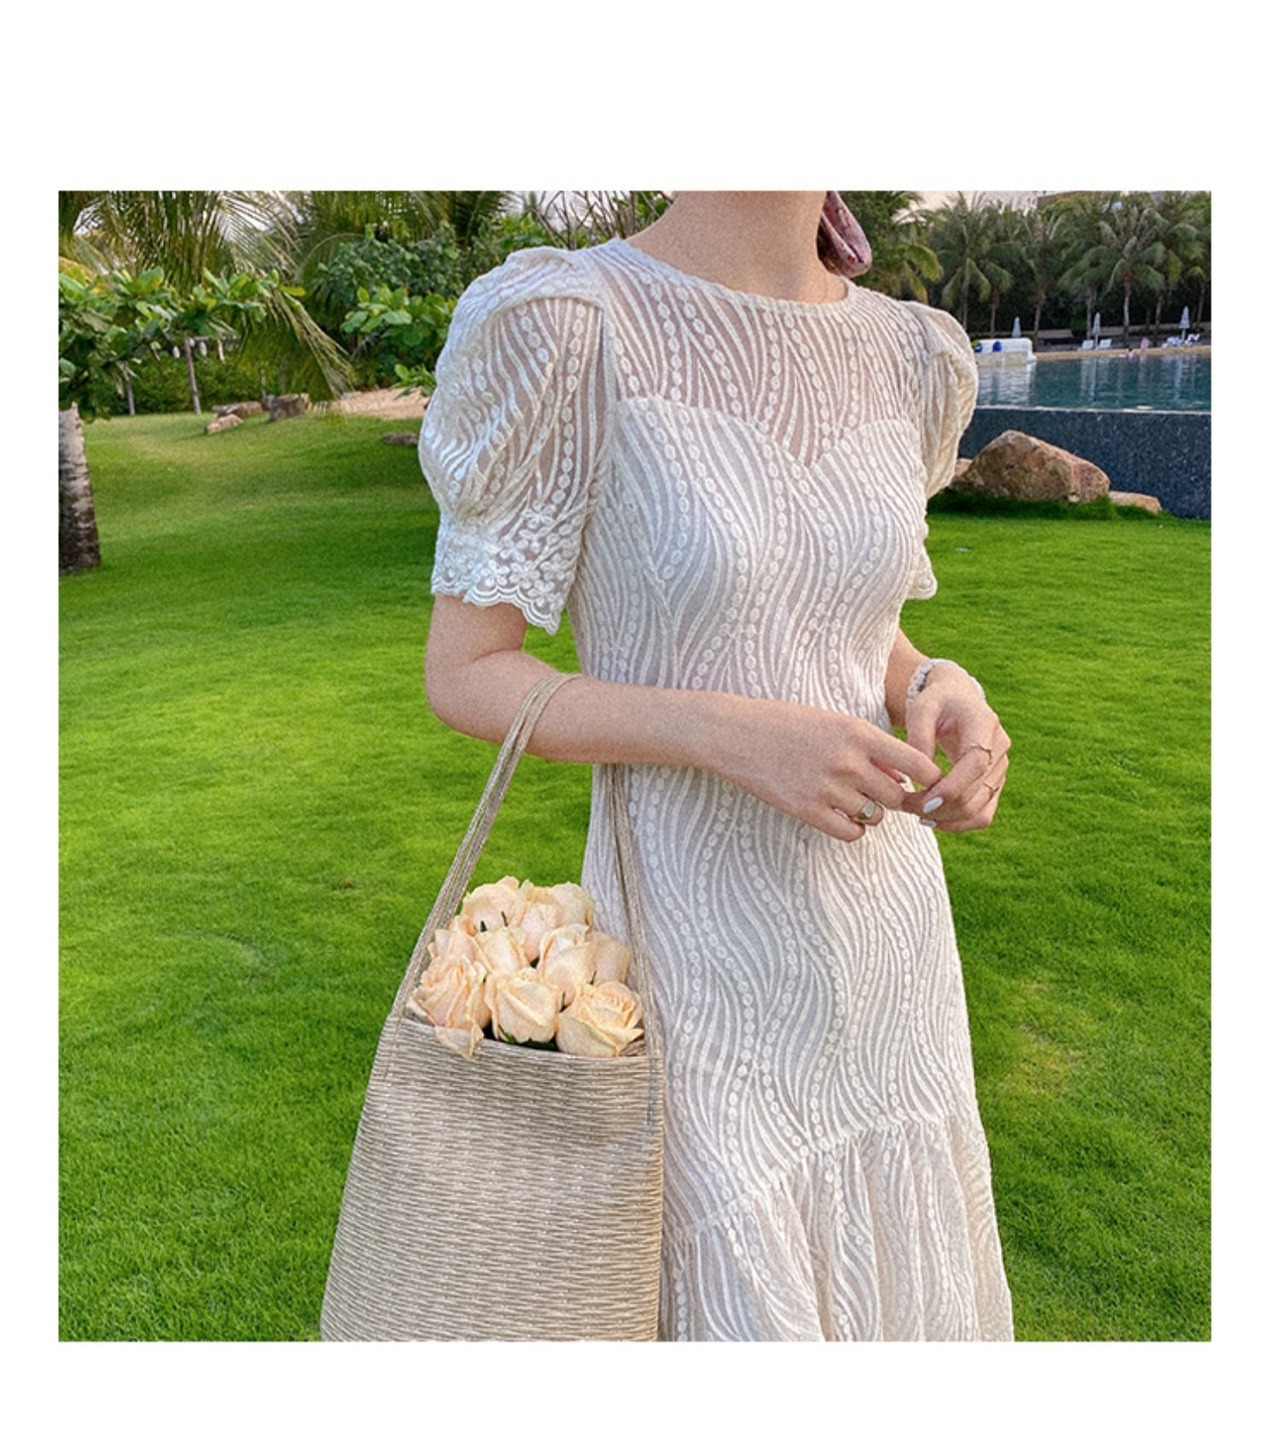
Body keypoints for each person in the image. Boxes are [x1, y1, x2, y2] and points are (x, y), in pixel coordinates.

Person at [417, 190, 1015, 1341]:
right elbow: (466, 672)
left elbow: (849, 619)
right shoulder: (569, 323)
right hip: (698, 956)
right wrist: (724, 732)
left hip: (889, 950)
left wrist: (939, 684)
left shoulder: (909, 351)